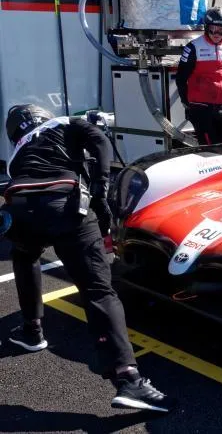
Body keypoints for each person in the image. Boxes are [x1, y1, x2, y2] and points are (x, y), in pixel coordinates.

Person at [1, 104, 176, 412]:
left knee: (25, 256)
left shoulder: (16, 155)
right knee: (98, 290)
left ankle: (31, 330)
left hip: (19, 209)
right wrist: (100, 186)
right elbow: (98, 139)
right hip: (65, 203)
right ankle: (128, 378)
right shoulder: (62, 122)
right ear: (42, 115)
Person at [176, 6, 222, 146]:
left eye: (220, 30)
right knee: (209, 147)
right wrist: (187, 103)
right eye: (212, 29)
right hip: (201, 106)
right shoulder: (193, 47)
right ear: (206, 27)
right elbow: (181, 78)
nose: (216, 33)